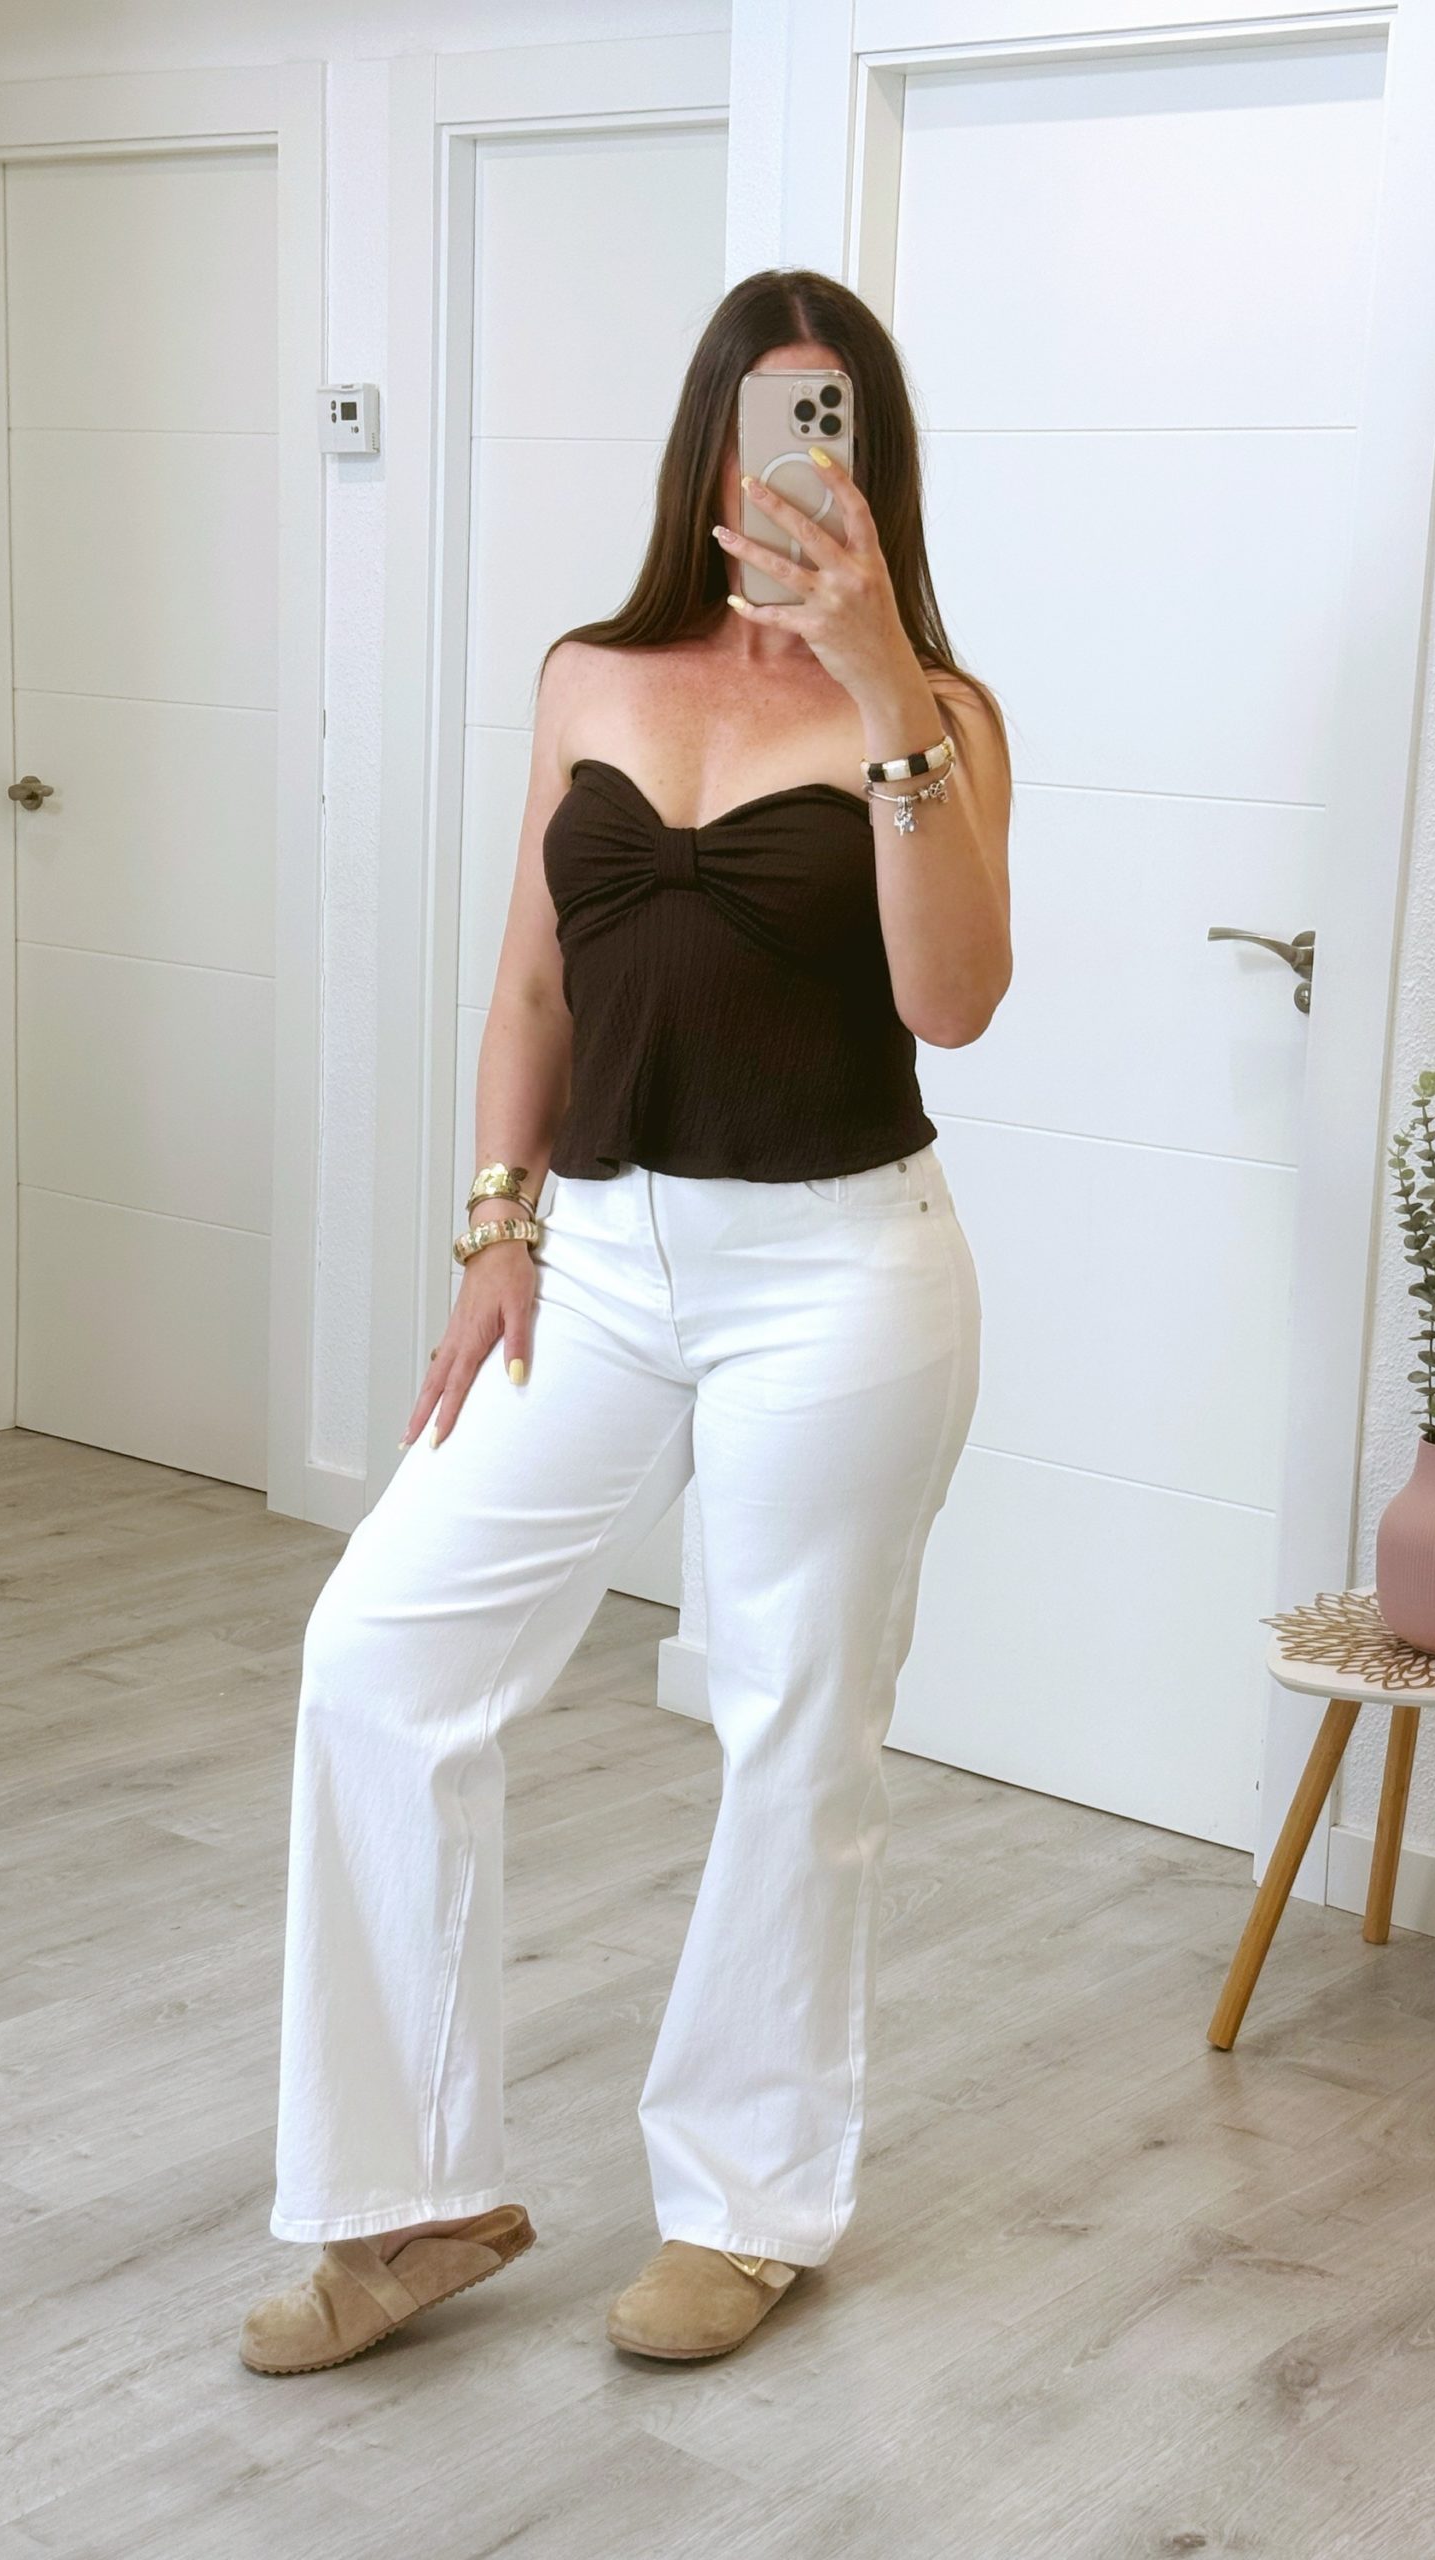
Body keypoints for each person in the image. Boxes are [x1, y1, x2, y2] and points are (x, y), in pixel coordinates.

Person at [238, 268, 1012, 2377]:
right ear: (707, 448)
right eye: (769, 420)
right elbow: (531, 985)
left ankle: (748, 2207)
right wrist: (495, 1227)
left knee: (792, 1726)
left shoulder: (938, 713)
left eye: (835, 424)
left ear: (874, 463)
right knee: (379, 1655)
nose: (797, 466)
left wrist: (876, 679)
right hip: (592, 1255)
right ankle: (404, 2205)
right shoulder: (588, 673)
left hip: (840, 1272)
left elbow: (954, 999)